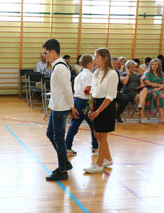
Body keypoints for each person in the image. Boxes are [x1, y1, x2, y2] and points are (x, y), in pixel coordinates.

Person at [42, 39, 78, 181]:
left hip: (61, 107)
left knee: (58, 137)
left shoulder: (61, 68)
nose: (45, 56)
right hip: (56, 106)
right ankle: (65, 162)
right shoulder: (57, 66)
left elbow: (67, 89)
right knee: (50, 134)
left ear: (52, 51)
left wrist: (72, 106)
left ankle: (62, 170)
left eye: (46, 52)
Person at [84, 48, 118, 174]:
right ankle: (108, 159)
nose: (94, 60)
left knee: (102, 136)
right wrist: (91, 107)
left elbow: (110, 96)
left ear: (105, 59)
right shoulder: (97, 72)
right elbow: (93, 91)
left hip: (106, 107)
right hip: (97, 104)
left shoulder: (112, 74)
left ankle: (98, 164)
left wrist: (98, 111)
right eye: (94, 57)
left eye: (97, 57)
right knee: (98, 135)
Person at [65, 54, 98, 156]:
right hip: (85, 103)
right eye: (93, 62)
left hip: (77, 101)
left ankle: (67, 147)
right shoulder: (89, 75)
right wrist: (92, 102)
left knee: (74, 125)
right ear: (89, 64)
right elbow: (87, 90)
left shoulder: (79, 75)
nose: (94, 64)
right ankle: (95, 147)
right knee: (94, 125)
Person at [141, 58, 164, 123]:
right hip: (149, 89)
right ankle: (161, 117)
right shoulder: (147, 73)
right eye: (152, 64)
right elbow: (147, 83)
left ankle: (161, 116)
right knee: (160, 95)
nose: (153, 66)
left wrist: (159, 88)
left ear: (159, 66)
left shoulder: (161, 73)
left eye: (155, 65)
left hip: (159, 89)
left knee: (161, 95)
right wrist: (159, 85)